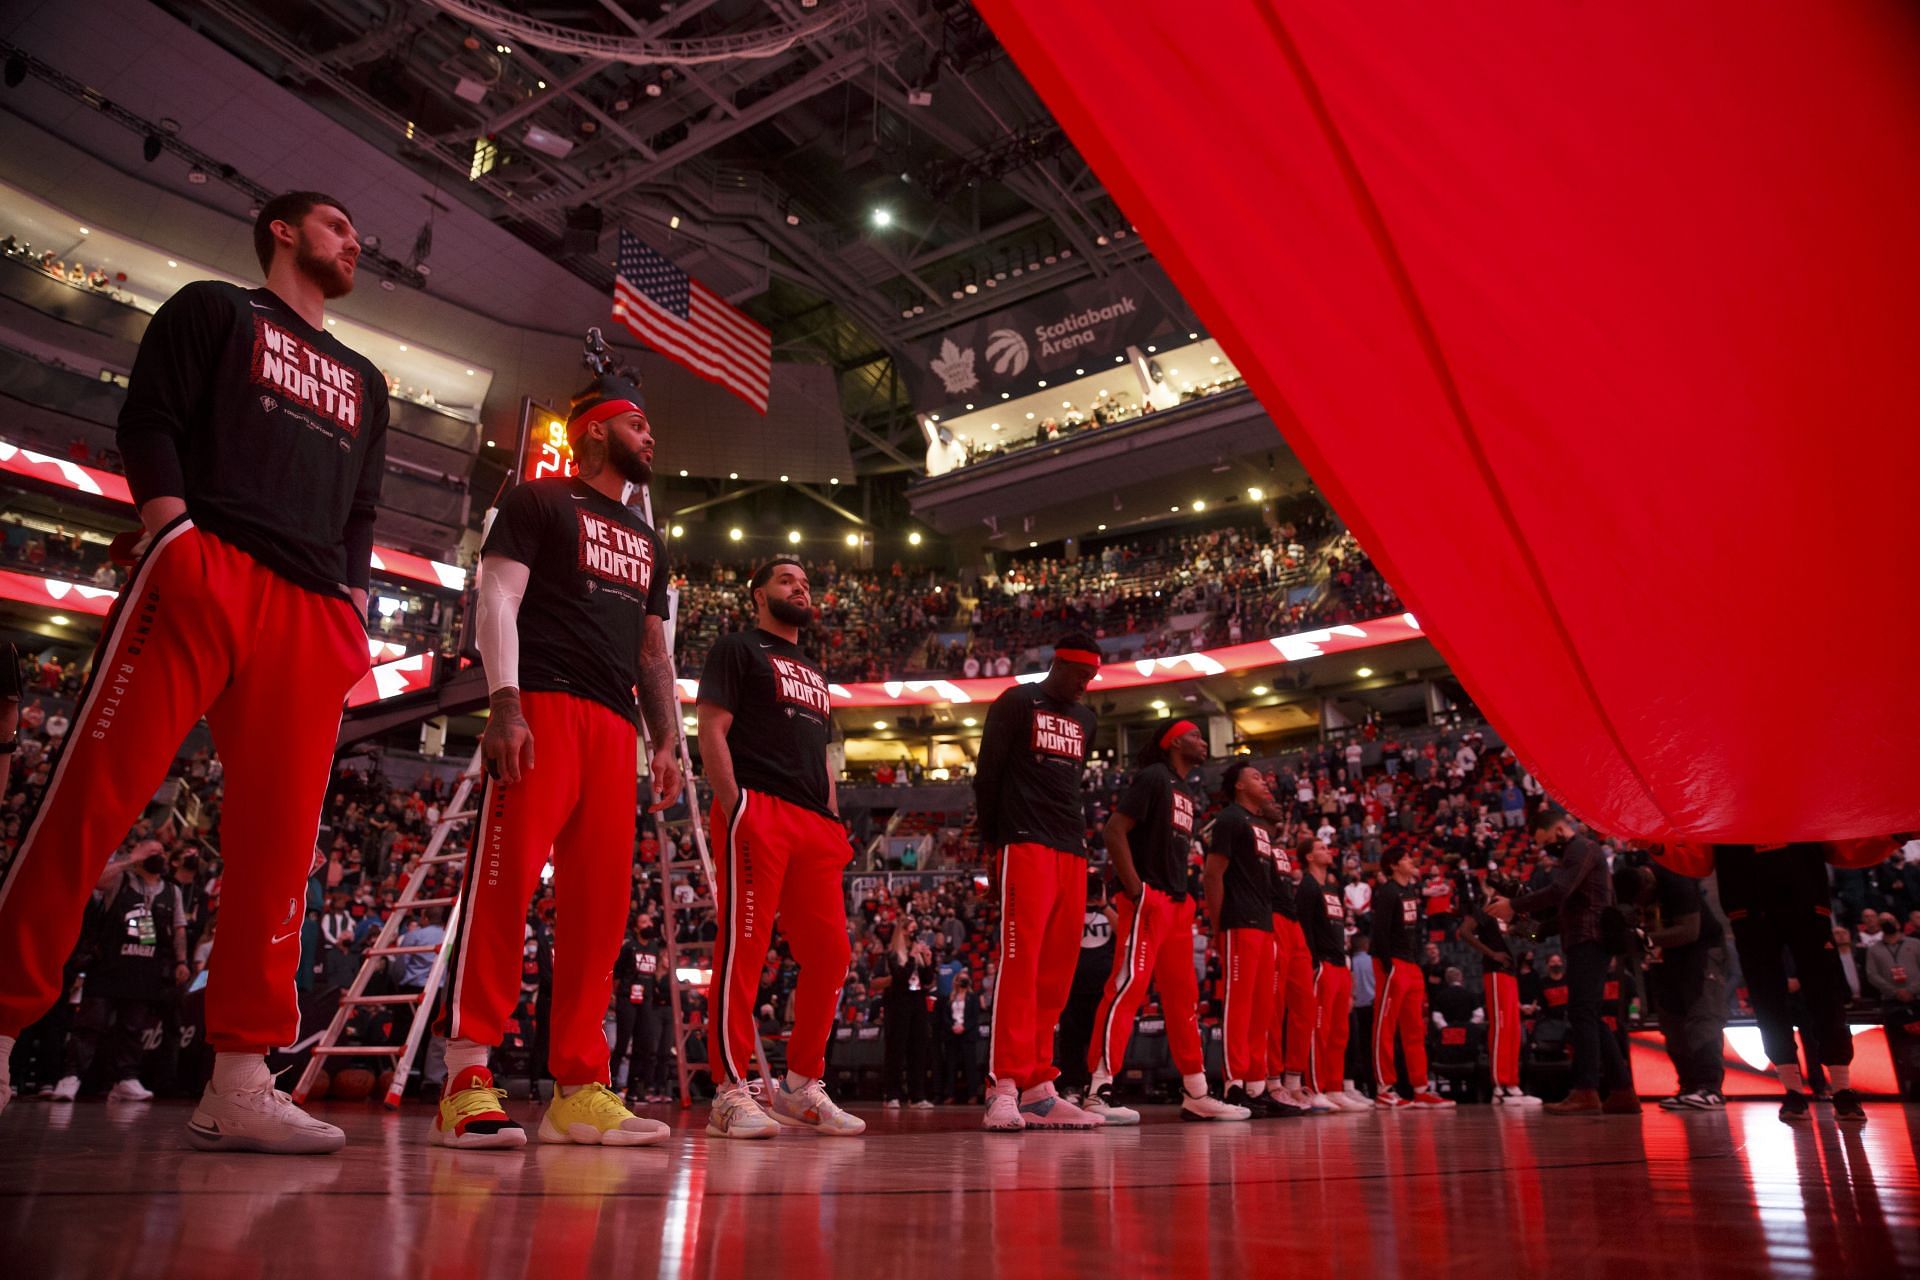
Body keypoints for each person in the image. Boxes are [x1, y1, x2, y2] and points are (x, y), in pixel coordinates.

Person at [0, 192, 386, 1150]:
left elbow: (361, 512)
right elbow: (151, 420)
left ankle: (243, 1076)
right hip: (204, 557)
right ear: (282, 231)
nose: (355, 240)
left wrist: (352, 600)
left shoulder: (367, 378)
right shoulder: (215, 308)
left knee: (280, 850)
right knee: (94, 796)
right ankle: (0, 1021)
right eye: (336, 225)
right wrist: (170, 532)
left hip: (311, 608)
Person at [432, 372, 679, 1150]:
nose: (650, 437)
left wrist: (667, 736)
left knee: (601, 913)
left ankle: (579, 1088)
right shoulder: (538, 502)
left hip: (614, 727)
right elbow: (496, 598)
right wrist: (502, 702)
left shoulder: (647, 540)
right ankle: (467, 1077)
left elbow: (651, 648)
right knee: (504, 890)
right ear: (597, 430)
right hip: (539, 703)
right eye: (638, 425)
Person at [699, 559, 864, 1138]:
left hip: (815, 824)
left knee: (831, 954)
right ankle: (728, 1090)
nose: (802, 586)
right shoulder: (736, 649)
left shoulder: (815, 673)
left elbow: (824, 757)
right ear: (758, 595)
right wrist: (735, 803)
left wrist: (834, 820)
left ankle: (799, 1085)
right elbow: (712, 728)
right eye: (788, 580)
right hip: (758, 807)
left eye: (806, 580)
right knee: (744, 948)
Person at [1084, 721, 1248, 1124]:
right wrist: (1136, 889)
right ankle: (1098, 1090)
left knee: (1183, 1000)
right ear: (1174, 741)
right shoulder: (1154, 777)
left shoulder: (1185, 789)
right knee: (1127, 988)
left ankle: (1195, 1091)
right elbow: (1114, 830)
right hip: (1149, 898)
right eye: (1195, 735)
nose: (1203, 741)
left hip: (1177, 903)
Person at [975, 633, 1102, 1130]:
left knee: (1056, 973)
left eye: (1092, 678)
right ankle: (1002, 1084)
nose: (1086, 686)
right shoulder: (1017, 701)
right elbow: (988, 776)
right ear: (1059, 664)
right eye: (1081, 675)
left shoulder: (1086, 720)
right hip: (1022, 841)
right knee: (1020, 963)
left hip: (1071, 848)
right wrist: (993, 842)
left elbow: (1070, 787)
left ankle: (1037, 1088)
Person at [1494, 808, 1638, 1116]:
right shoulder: (1575, 854)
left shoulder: (1581, 849)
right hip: (1583, 939)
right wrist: (1525, 932)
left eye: (1546, 841)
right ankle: (1622, 1090)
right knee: (1590, 1015)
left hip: (1589, 939)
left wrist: (1513, 906)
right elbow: (1560, 918)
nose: (1546, 849)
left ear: (1559, 831)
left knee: (1582, 1013)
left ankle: (1586, 1090)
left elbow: (1559, 893)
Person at [1712, 843, 1866, 1124]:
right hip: (1751, 909)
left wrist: (1894, 834)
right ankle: (1794, 1090)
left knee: (1824, 996)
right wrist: (1656, 844)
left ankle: (1841, 1088)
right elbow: (1697, 858)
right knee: (1768, 1000)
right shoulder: (1724, 808)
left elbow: (1843, 848)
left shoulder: (1803, 803)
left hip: (1802, 903)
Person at [47, 840, 190, 1103]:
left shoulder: (172, 891)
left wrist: (181, 961)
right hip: (109, 967)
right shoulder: (120, 880)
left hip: (145, 969)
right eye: (152, 852)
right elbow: (96, 881)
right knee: (90, 1024)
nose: (158, 856)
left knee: (133, 1027)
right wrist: (130, 858)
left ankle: (126, 1078)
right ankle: (71, 1076)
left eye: (161, 852)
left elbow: (179, 928)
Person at [1202, 762, 1296, 1118]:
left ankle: (1256, 1085)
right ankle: (1233, 1085)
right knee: (1239, 1009)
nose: (1265, 781)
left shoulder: (1260, 827)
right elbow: (1213, 874)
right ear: (1240, 786)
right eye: (1256, 777)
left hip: (1263, 925)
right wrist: (1218, 926)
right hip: (1238, 923)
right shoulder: (1229, 819)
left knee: (1262, 1010)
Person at [1370, 844, 1453, 1107]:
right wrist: (1387, 964)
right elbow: (1379, 932)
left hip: (1411, 964)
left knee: (1415, 1029)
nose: (1411, 861)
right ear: (1394, 865)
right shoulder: (1388, 892)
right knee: (1385, 1027)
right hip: (1392, 963)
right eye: (1405, 858)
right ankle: (1385, 1088)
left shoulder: (1411, 892)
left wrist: (1415, 963)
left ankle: (1420, 1088)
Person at [1295, 835, 1368, 1110]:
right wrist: (1313, 963)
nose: (1328, 851)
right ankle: (1314, 1087)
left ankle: (1335, 1087)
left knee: (1340, 1032)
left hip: (1340, 965)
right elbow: (1304, 929)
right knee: (1319, 1030)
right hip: (1322, 964)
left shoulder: (1331, 889)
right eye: (1322, 848)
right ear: (1309, 857)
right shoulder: (1307, 888)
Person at [1459, 883, 1537, 1105]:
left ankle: (1512, 1085)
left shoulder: (1512, 915)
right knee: (1501, 1028)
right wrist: (1491, 953)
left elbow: (1533, 935)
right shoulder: (1490, 908)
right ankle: (1499, 1088)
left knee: (1513, 1030)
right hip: (1495, 973)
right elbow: (1464, 931)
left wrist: (1523, 927)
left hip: (1510, 973)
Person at [1055, 873, 1116, 1103]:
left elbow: (1124, 933)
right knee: (1071, 1040)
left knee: (1099, 1040)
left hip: (1101, 989)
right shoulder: (1071, 912)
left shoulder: (1109, 914)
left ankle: (1098, 1086)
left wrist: (1105, 905)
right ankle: (1072, 1086)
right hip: (1072, 987)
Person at [881, 925, 936, 1109]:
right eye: (908, 930)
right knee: (897, 1050)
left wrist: (928, 961)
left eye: (914, 931)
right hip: (899, 1004)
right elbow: (900, 978)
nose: (912, 934)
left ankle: (917, 1095)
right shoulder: (893, 955)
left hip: (917, 1002)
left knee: (918, 1049)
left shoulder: (916, 953)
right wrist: (912, 957)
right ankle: (892, 1094)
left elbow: (927, 980)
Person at [1865, 922, 1920, 1006]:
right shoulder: (1873, 949)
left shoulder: (1916, 944)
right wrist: (1894, 992)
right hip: (1890, 999)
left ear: (1898, 924)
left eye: (1890, 920)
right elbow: (1872, 974)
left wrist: (1912, 990)